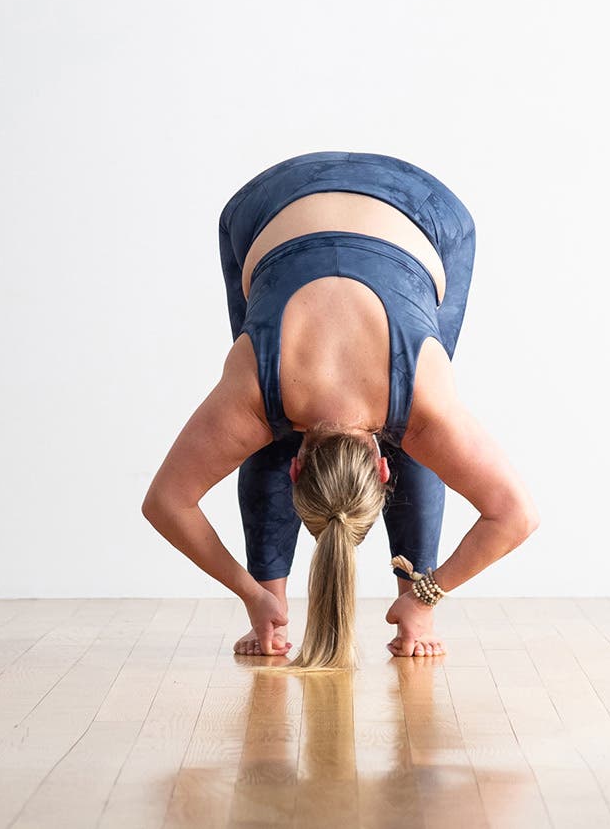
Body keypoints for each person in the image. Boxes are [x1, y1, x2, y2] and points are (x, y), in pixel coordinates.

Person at [141, 150, 540, 667]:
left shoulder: (256, 395)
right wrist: (428, 592)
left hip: (333, 206)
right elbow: (515, 515)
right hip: (316, 202)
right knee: (417, 437)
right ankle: (380, 613)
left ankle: (271, 606)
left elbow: (167, 501)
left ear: (297, 469)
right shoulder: (414, 405)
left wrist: (249, 592)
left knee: (372, 431)